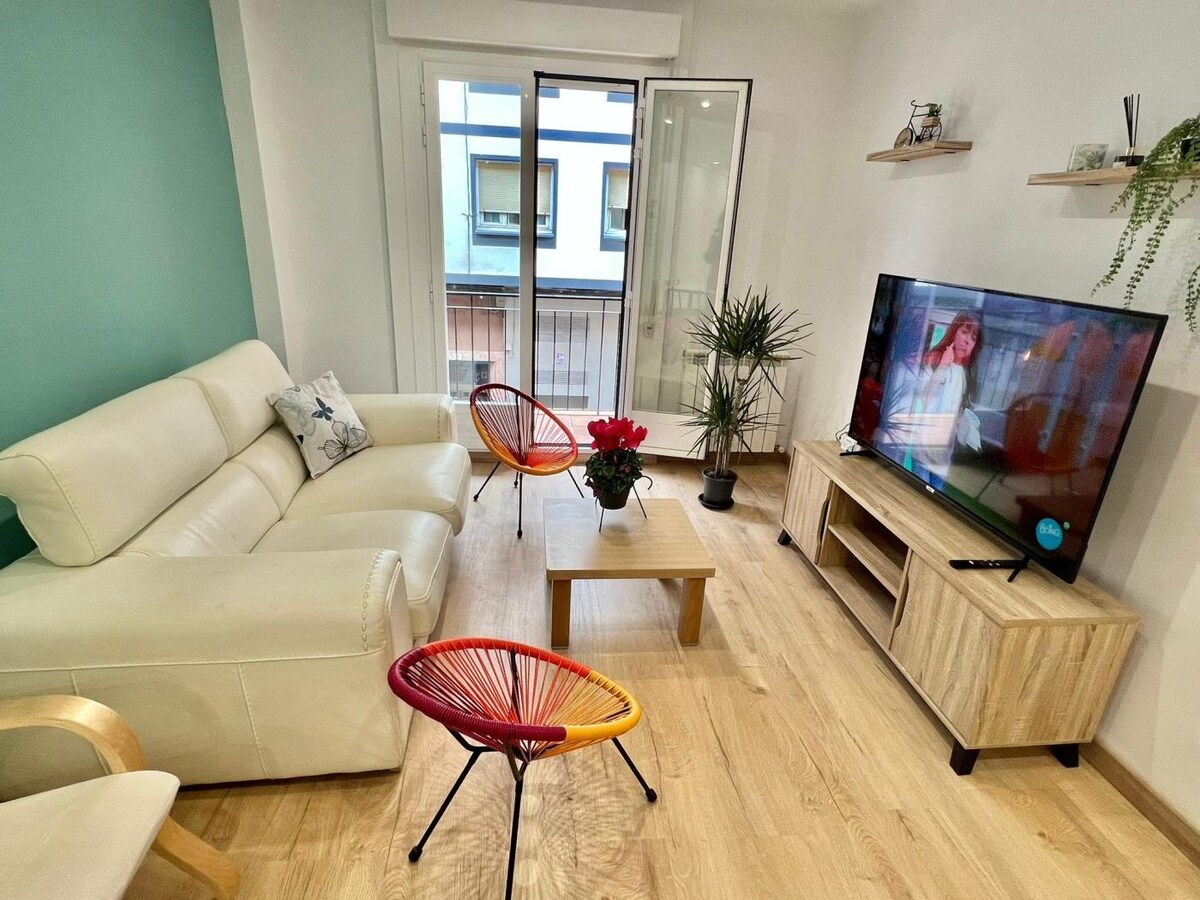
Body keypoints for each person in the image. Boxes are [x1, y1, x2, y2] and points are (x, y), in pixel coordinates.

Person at [909, 311, 983, 486]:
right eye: (964, 332)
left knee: (935, 504)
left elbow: (958, 411)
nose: (967, 340)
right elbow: (925, 400)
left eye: (973, 337)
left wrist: (967, 427)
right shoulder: (934, 360)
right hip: (923, 452)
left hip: (944, 458)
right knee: (916, 500)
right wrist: (943, 365)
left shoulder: (967, 374)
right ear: (954, 331)